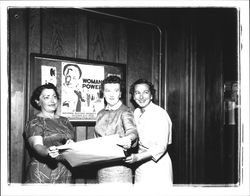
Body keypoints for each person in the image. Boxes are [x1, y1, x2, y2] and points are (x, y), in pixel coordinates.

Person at [24, 83, 75, 183]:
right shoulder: (35, 122)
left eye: (54, 96)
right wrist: (48, 152)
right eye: (47, 97)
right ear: (38, 101)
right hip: (42, 173)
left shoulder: (65, 121)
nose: (52, 100)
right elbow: (37, 145)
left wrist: (71, 146)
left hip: (65, 171)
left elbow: (70, 142)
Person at [125, 79, 173, 186]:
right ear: (133, 96)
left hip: (158, 165)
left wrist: (138, 157)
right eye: (137, 93)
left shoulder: (160, 114)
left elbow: (161, 147)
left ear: (151, 96)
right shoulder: (136, 112)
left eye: (145, 92)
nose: (141, 96)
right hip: (140, 165)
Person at [94, 75, 138, 183]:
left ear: (120, 94)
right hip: (101, 168)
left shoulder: (125, 111)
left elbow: (132, 131)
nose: (112, 94)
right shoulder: (100, 114)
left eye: (116, 90)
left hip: (119, 170)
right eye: (108, 91)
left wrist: (129, 139)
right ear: (103, 93)